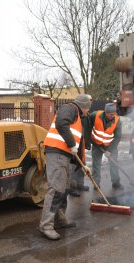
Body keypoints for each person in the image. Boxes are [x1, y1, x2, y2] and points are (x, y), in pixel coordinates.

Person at [39, 94, 91, 240]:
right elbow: (61, 123)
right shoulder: (70, 108)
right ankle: (46, 226)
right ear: (84, 106)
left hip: (65, 155)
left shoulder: (78, 117)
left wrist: (83, 165)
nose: (88, 112)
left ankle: (60, 219)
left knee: (64, 188)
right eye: (88, 108)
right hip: (56, 153)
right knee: (56, 188)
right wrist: (71, 143)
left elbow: (78, 147)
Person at [90, 102, 123, 190]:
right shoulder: (95, 115)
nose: (113, 115)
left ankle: (116, 183)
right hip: (97, 145)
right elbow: (87, 125)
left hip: (110, 145)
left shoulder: (117, 120)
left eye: (114, 113)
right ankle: (96, 184)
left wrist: (110, 150)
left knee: (114, 164)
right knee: (96, 165)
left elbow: (117, 137)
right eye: (111, 114)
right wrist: (90, 139)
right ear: (106, 112)